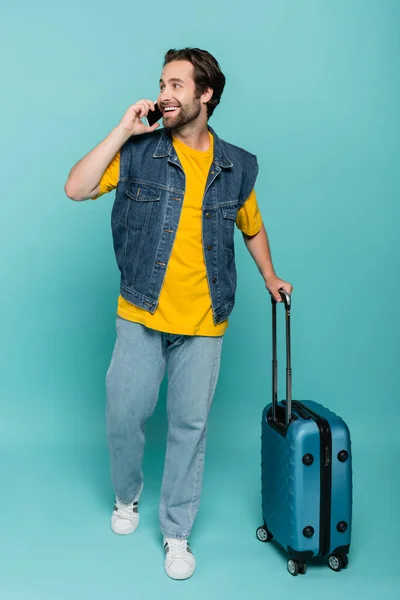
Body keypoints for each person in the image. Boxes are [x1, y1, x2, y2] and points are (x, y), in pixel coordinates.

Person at [64, 47, 292, 580]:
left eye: (176, 85)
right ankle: (127, 497)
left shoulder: (236, 166)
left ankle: (176, 532)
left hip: (205, 322)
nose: (164, 94)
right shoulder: (140, 152)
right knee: (124, 415)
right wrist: (123, 130)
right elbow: (76, 188)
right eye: (161, 83)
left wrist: (269, 276)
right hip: (141, 313)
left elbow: (250, 225)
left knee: (190, 427)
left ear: (205, 95)